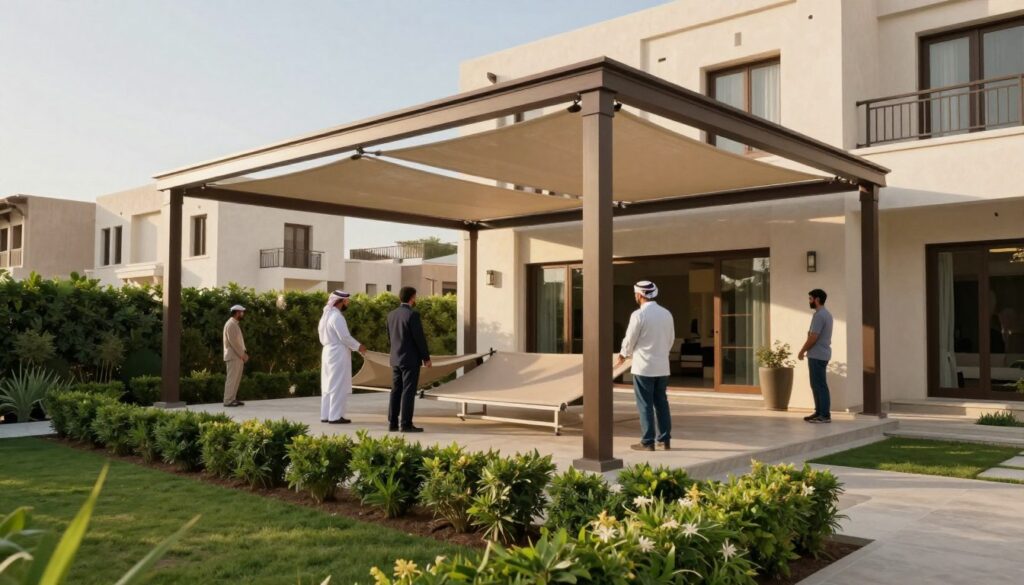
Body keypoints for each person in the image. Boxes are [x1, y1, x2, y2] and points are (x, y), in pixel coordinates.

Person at [616, 280, 675, 452]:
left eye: (636, 294)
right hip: (662, 366)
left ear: (640, 295)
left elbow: (630, 338)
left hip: (643, 367)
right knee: (662, 403)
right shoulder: (666, 314)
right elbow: (670, 340)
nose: (635, 296)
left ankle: (647, 441)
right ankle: (665, 440)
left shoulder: (638, 315)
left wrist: (623, 354)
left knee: (645, 404)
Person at [386, 287, 431, 433]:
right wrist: (426, 357)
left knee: (395, 390)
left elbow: (390, 337)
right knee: (408, 392)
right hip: (410, 359)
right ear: (412, 297)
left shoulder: (391, 315)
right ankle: (406, 424)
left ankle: (392, 423)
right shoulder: (413, 315)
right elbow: (419, 339)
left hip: (395, 358)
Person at [318, 290, 366, 424]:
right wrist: (358, 346)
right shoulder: (337, 317)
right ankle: (335, 416)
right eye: (346, 302)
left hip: (328, 352)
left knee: (328, 385)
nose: (347, 304)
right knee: (337, 384)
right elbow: (344, 337)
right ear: (341, 302)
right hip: (337, 352)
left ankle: (326, 415)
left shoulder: (326, 316)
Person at [798, 288, 833, 423]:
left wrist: (802, 351)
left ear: (817, 299)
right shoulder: (826, 314)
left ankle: (824, 415)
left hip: (817, 355)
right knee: (816, 384)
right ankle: (819, 412)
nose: (809, 301)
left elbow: (813, 337)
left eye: (810, 298)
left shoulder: (819, 315)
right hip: (820, 354)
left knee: (819, 385)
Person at [222, 304, 248, 407]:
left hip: (236, 356)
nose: (243, 314)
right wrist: (243, 355)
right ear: (237, 312)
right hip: (234, 356)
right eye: (242, 312)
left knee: (235, 379)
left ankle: (232, 399)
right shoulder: (231, 324)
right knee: (232, 379)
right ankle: (228, 400)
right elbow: (233, 342)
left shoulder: (234, 324)